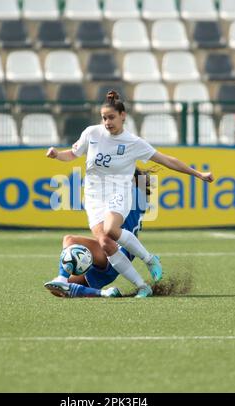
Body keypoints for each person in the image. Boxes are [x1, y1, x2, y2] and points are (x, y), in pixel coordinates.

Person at [46, 90, 214, 298]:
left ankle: (149, 259)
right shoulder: (92, 133)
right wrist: (57, 155)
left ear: (123, 116)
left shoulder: (133, 144)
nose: (107, 122)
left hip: (118, 193)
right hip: (93, 198)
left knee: (110, 230)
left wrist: (198, 174)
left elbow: (167, 160)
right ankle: (123, 289)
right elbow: (72, 154)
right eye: (104, 118)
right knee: (94, 244)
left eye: (111, 117)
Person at [44, 168, 151, 298]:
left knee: (70, 240)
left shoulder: (130, 192)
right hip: (118, 254)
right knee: (58, 290)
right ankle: (105, 293)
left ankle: (62, 277)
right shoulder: (137, 196)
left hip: (115, 251)